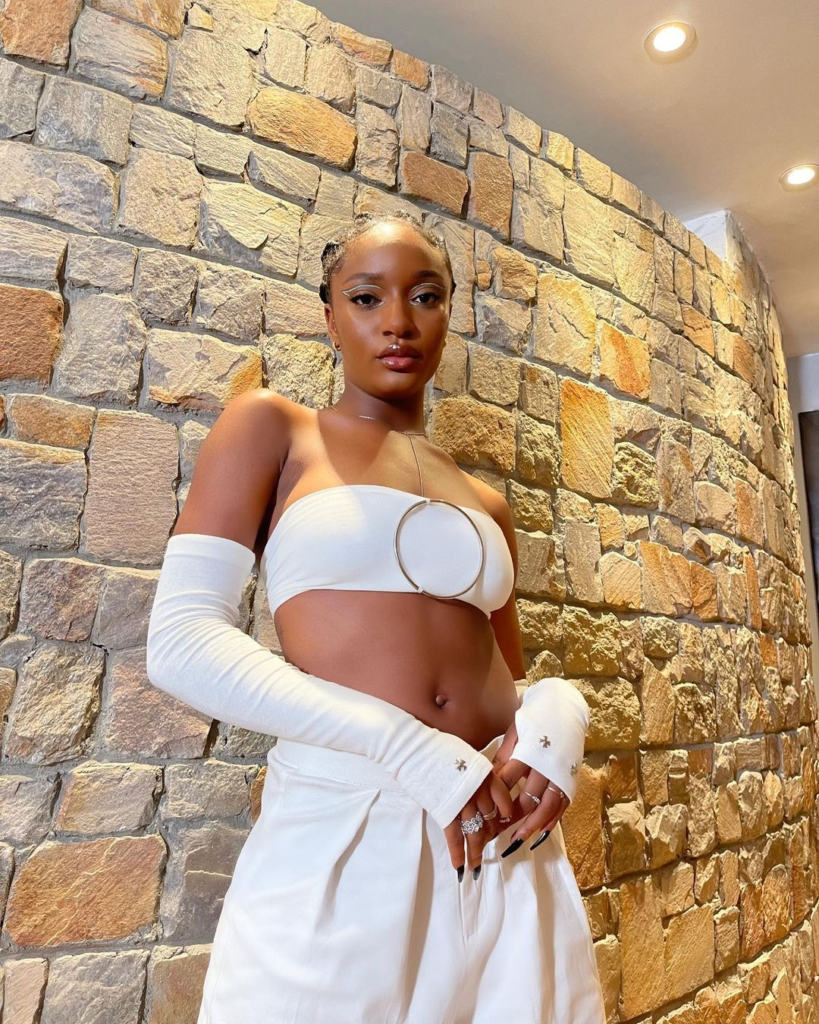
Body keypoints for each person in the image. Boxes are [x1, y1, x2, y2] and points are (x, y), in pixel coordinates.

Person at [146, 210, 607, 1023]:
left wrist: (559, 715)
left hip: (501, 836)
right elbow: (181, 641)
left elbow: (511, 679)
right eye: (366, 298)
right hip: (348, 826)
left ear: (447, 314)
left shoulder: (486, 503)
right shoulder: (273, 430)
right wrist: (408, 749)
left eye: (424, 297)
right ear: (330, 317)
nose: (397, 321)